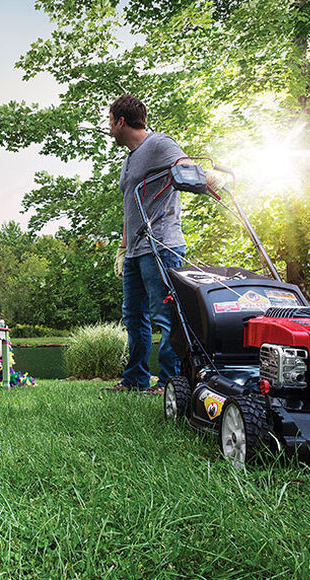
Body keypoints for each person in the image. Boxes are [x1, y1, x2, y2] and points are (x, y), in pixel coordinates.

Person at [104, 94, 189, 395]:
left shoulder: (160, 144)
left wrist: (212, 179)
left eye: (110, 121)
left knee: (165, 315)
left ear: (121, 121)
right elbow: (131, 207)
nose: (109, 128)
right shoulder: (129, 159)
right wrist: (123, 248)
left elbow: (187, 168)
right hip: (136, 251)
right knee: (133, 316)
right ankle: (136, 378)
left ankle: (169, 382)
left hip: (161, 246)